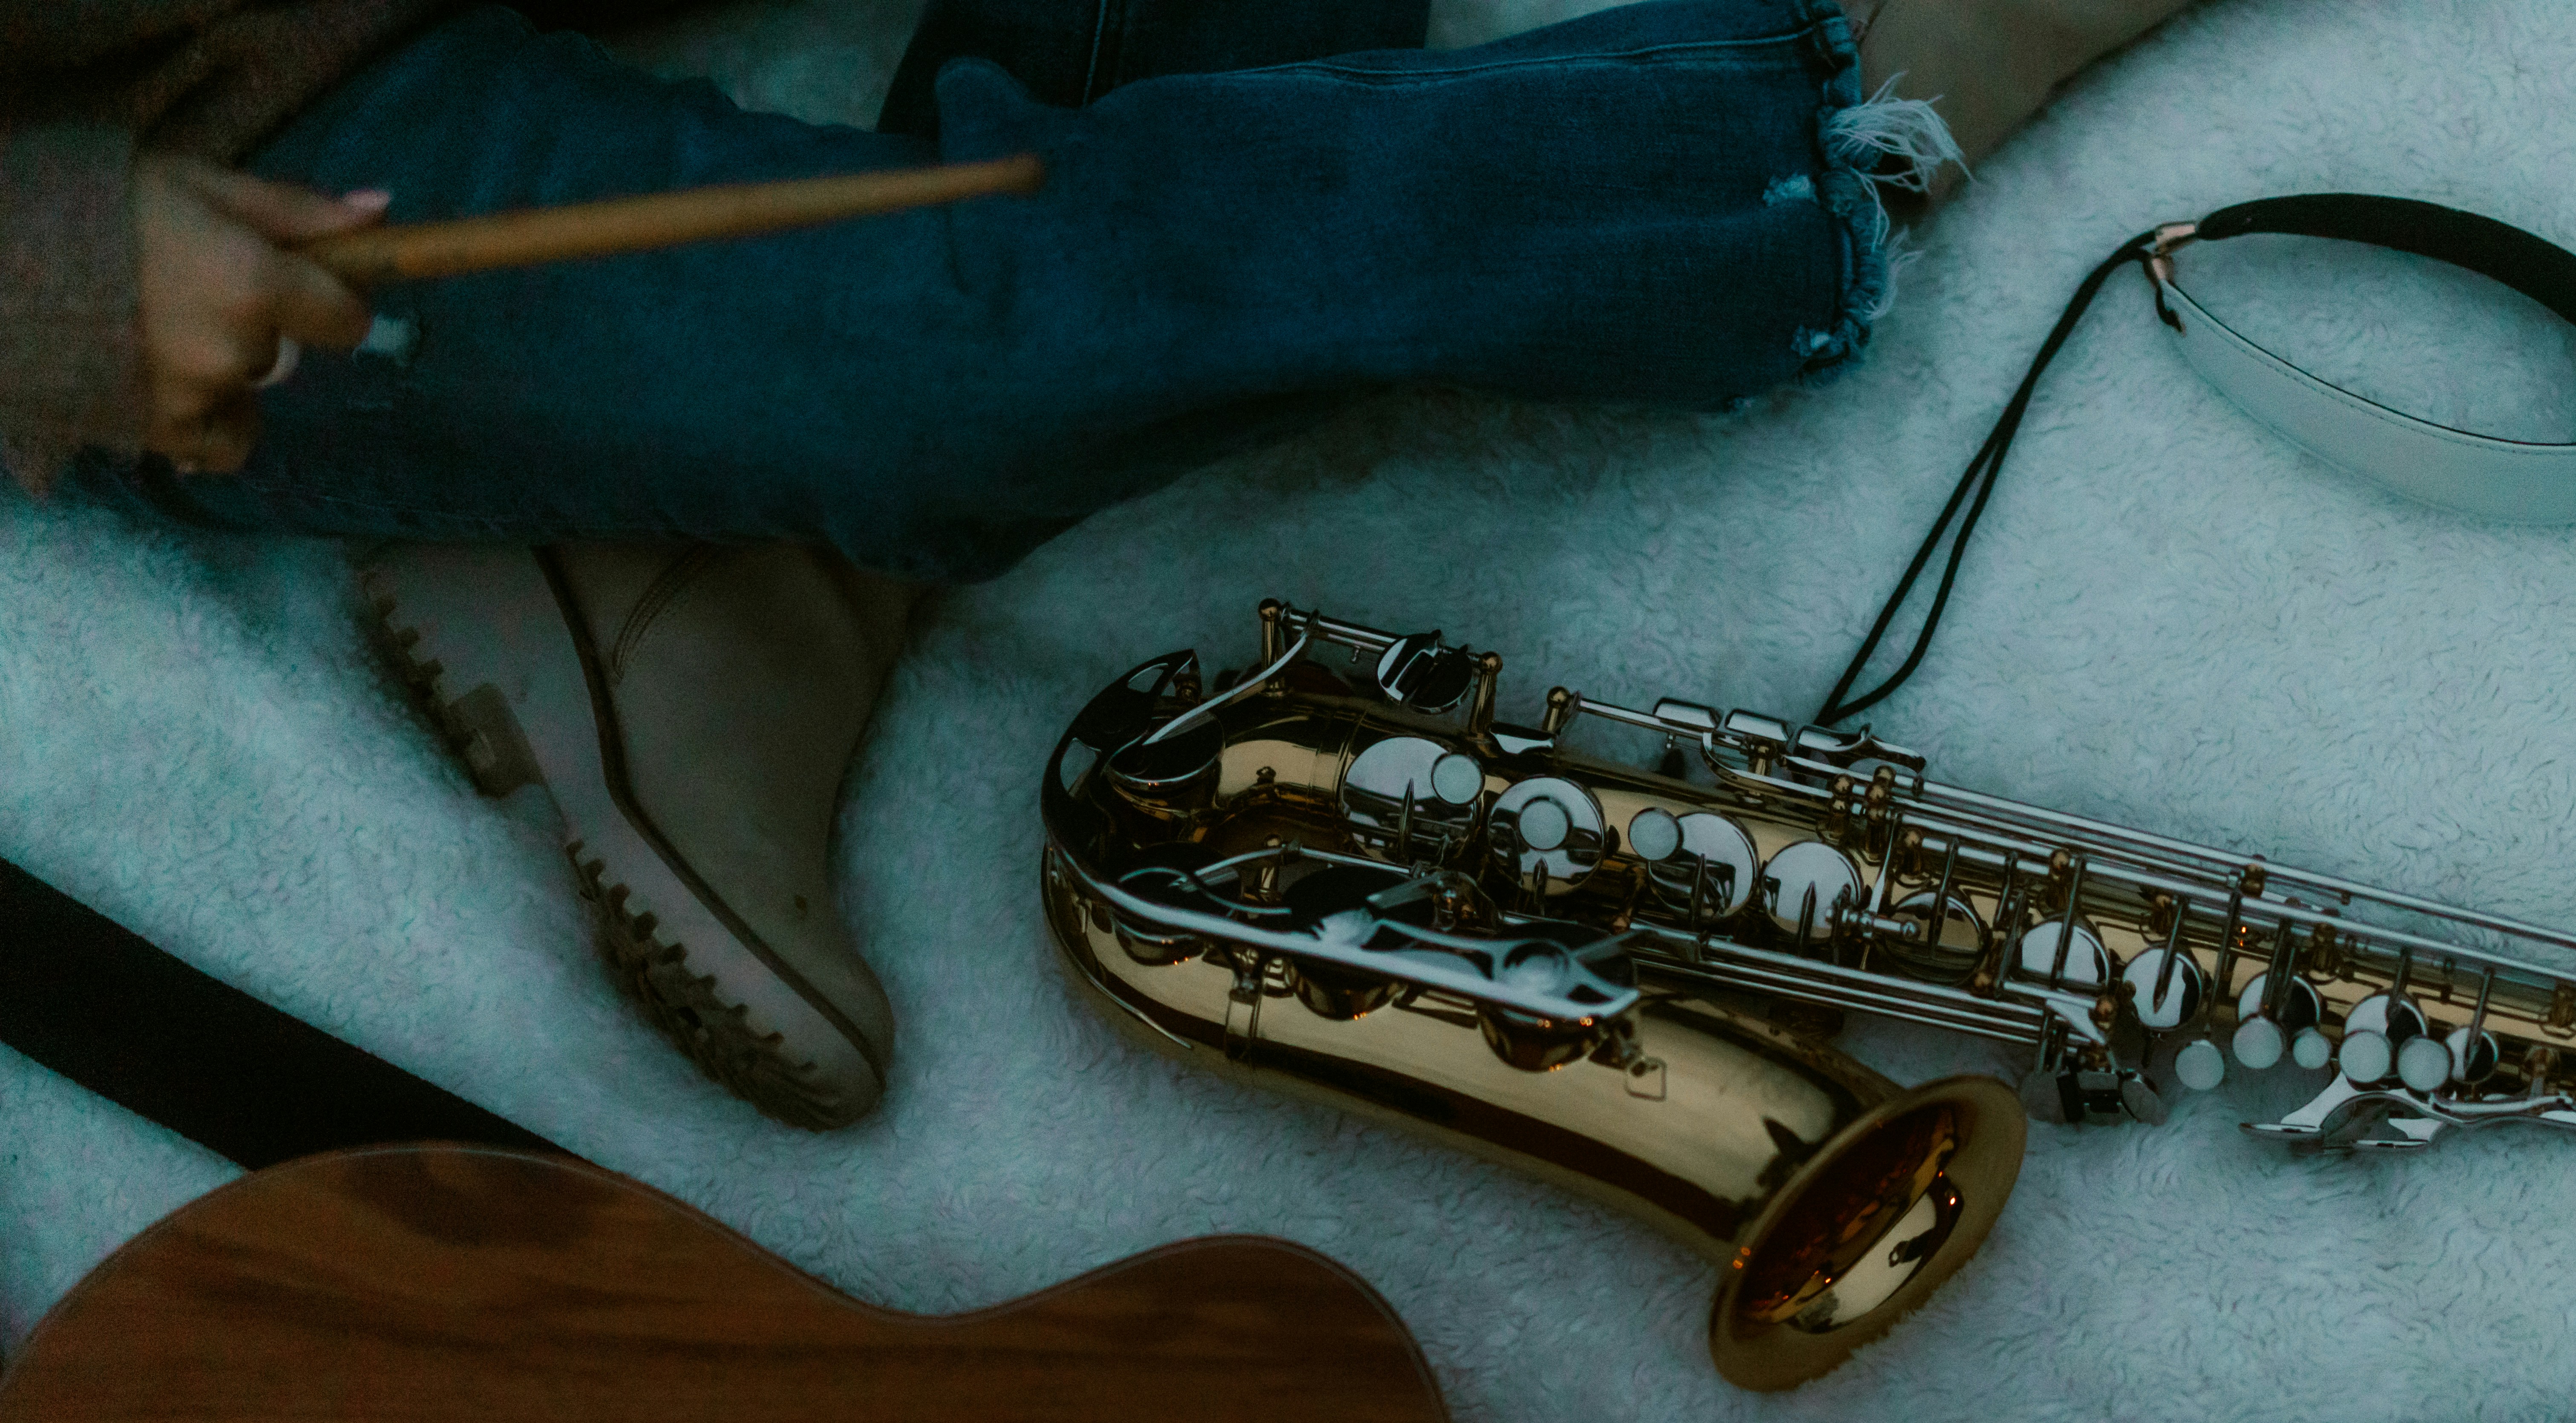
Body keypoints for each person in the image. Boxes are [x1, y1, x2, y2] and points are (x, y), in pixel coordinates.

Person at [2, 0, 2202, 1129]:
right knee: (1001, 300)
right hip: (203, 135)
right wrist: (67, 283)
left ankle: (751, 586)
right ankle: (1853, 107)